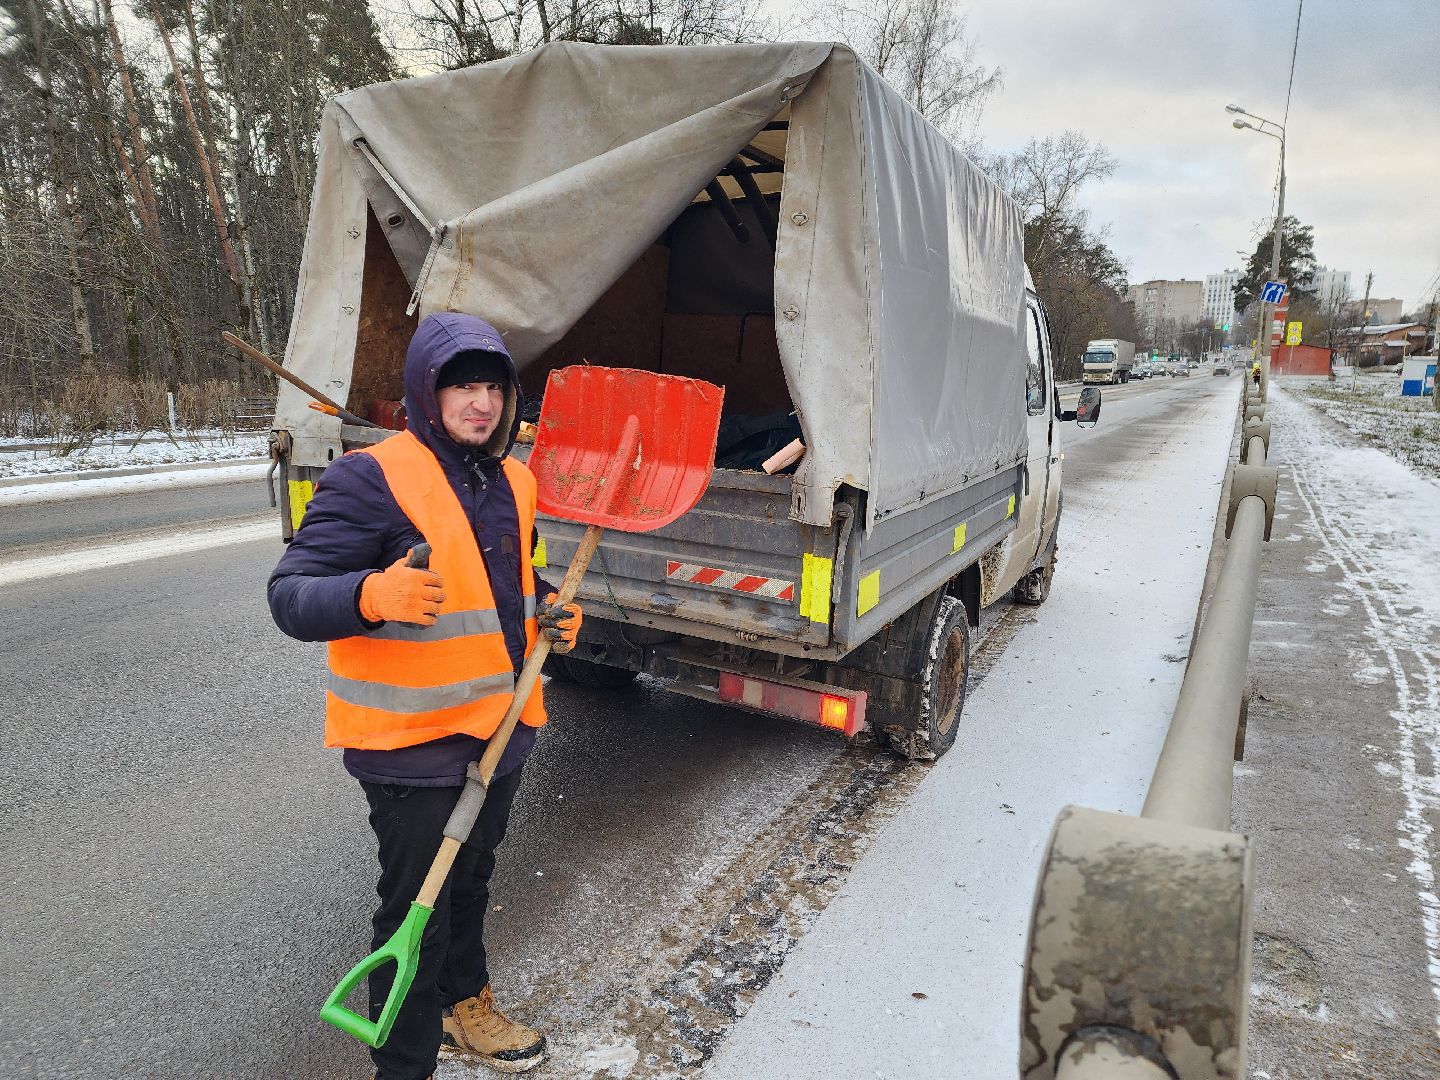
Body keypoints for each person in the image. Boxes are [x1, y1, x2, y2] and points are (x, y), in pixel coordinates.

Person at [268, 312, 581, 1080]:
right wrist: (373, 593)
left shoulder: (515, 480)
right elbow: (291, 595)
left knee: (472, 879)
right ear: (426, 391)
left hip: (500, 728)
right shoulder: (370, 478)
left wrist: (547, 609)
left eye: (494, 387)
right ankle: (403, 1066)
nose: (481, 402)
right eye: (462, 385)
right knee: (416, 908)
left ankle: (465, 1008)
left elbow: (505, 586)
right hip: (409, 746)